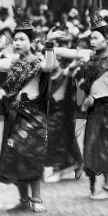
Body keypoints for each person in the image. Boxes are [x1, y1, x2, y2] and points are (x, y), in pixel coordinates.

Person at [46, 14, 108, 200]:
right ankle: (103, 185)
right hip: (93, 109)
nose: (93, 41)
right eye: (91, 38)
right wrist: (49, 43)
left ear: (107, 39)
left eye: (96, 37)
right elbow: (61, 52)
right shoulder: (87, 54)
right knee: (92, 147)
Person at [0, 8, 54, 213]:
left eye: (21, 39)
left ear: (31, 42)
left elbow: (50, 66)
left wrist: (50, 44)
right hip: (15, 115)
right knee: (15, 154)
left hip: (33, 115)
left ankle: (37, 198)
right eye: (15, 39)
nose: (17, 43)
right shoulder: (12, 62)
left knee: (31, 155)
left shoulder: (37, 62)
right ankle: (23, 199)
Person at [43, 32, 83, 183]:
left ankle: (59, 169)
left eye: (55, 59)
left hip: (62, 113)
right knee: (62, 140)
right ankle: (75, 164)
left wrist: (54, 47)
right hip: (48, 111)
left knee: (58, 139)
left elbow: (77, 61)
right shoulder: (45, 75)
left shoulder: (66, 72)